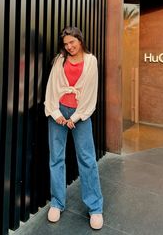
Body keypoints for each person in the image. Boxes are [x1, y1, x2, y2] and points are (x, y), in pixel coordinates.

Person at [44, 26, 104, 230]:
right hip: (59, 112)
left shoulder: (91, 61)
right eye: (66, 44)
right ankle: (57, 203)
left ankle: (95, 208)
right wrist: (56, 113)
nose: (69, 47)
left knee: (87, 159)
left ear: (80, 39)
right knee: (56, 157)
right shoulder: (59, 60)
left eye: (72, 42)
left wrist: (77, 117)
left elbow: (90, 91)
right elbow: (52, 86)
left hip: (81, 112)